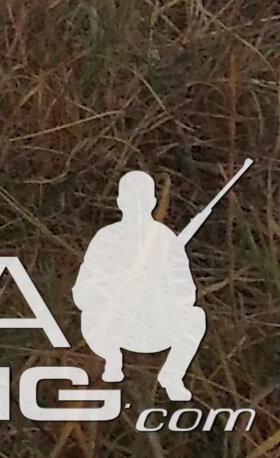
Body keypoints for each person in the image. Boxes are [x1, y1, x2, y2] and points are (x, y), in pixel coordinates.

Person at [74, 169, 211, 402]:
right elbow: (83, 288)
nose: (136, 204)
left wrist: (160, 293)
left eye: (141, 198)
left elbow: (186, 290)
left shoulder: (166, 239)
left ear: (152, 202)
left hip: (157, 325)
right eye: (130, 197)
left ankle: (172, 375)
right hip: (115, 327)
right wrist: (113, 292)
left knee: (196, 317)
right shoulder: (107, 238)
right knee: (89, 317)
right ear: (119, 201)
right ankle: (112, 360)